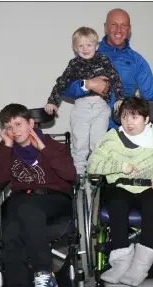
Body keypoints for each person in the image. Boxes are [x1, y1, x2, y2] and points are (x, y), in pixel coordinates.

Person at [87, 96, 153, 286]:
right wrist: (120, 165)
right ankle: (121, 262)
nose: (129, 123)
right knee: (117, 205)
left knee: (152, 205)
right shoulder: (112, 137)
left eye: (135, 117)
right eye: (124, 117)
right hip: (121, 185)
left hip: (149, 186)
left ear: (146, 119)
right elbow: (93, 165)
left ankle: (140, 266)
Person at [0, 104, 76, 287]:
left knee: (25, 209)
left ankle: (44, 273)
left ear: (30, 123)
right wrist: (7, 148)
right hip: (23, 200)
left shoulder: (50, 145)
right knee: (11, 230)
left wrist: (43, 149)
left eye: (18, 124)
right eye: (9, 127)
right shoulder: (5, 149)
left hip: (53, 198)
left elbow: (71, 176)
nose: (14, 130)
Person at [61, 8, 153, 142]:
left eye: (124, 25)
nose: (119, 30)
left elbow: (152, 96)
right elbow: (65, 88)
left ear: (129, 29)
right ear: (105, 27)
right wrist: (88, 84)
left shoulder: (137, 61)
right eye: (114, 24)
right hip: (90, 129)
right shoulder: (88, 52)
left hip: (122, 132)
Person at [44, 26, 124, 181]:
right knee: (79, 144)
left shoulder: (104, 60)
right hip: (81, 107)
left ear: (96, 46)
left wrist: (120, 98)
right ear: (75, 48)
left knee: (98, 143)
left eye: (89, 45)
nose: (85, 49)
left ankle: (97, 175)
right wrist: (52, 101)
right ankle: (78, 177)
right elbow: (62, 83)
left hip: (100, 107)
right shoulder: (74, 64)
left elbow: (115, 79)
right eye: (80, 46)